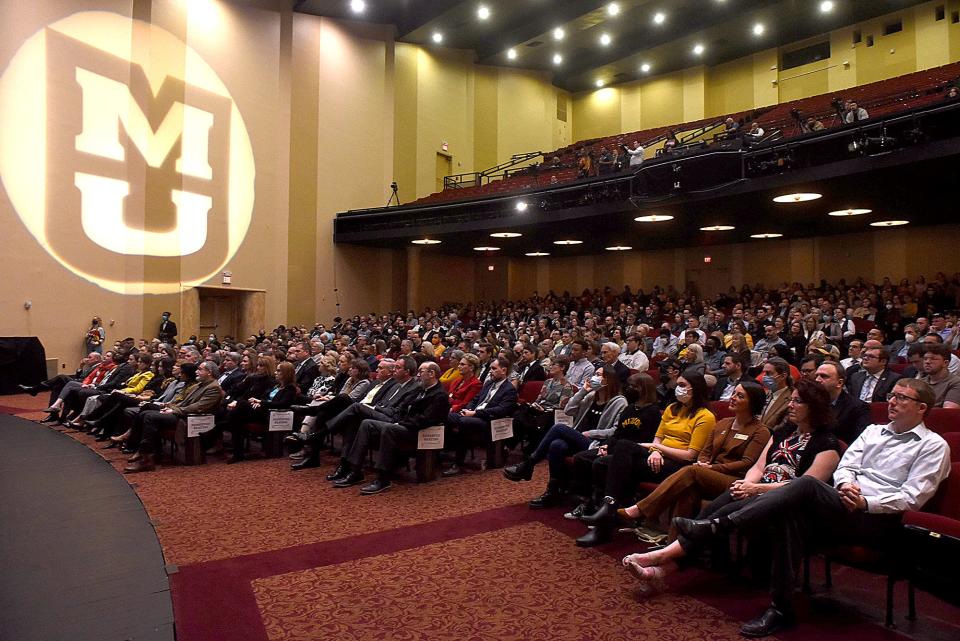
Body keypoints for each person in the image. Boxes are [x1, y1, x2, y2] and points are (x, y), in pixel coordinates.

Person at [666, 378, 949, 637]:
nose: (892, 401)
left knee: (807, 485)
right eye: (892, 395)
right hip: (840, 504)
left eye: (902, 398)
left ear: (922, 407)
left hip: (877, 520)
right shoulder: (873, 432)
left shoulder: (933, 446)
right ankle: (780, 609)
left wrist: (866, 501)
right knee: (792, 513)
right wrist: (846, 485)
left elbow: (913, 497)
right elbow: (847, 465)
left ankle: (719, 525)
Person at [621, 378, 844, 629]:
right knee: (716, 508)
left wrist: (756, 489)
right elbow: (759, 466)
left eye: (797, 401)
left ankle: (660, 558)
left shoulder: (828, 444)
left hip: (786, 502)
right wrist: (747, 485)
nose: (790, 405)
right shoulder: (783, 432)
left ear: (814, 407)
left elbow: (806, 487)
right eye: (790, 399)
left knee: (718, 512)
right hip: (756, 490)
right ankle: (663, 566)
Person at [573, 371, 716, 546]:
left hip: (679, 465)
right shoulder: (672, 408)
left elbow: (690, 455)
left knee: (623, 448)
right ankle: (609, 513)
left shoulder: (705, 416)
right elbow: (658, 437)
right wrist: (656, 450)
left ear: (696, 388)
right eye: (677, 385)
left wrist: (657, 449)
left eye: (682, 385)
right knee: (604, 462)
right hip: (656, 457)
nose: (677, 389)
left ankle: (606, 514)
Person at [615, 382, 770, 539]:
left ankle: (641, 509)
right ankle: (674, 543)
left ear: (753, 402)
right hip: (707, 472)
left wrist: (709, 468)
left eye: (740, 396)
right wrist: (703, 462)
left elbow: (747, 462)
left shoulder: (760, 431)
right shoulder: (724, 423)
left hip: (734, 479)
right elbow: (706, 450)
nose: (733, 398)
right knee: (689, 489)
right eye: (734, 393)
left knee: (691, 471)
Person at [502, 365, 627, 509]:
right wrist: (582, 391)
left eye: (599, 375)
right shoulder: (592, 396)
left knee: (558, 427)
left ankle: (529, 464)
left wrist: (590, 433)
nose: (594, 377)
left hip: (598, 444)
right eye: (594, 374)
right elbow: (568, 410)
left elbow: (615, 431)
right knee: (557, 445)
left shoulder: (620, 402)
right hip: (580, 438)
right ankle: (553, 491)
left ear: (609, 380)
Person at [329, 362, 450, 494]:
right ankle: (355, 470)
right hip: (405, 425)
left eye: (421, 372)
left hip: (419, 432)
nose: (418, 375)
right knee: (366, 423)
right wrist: (399, 420)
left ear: (432, 374)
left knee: (389, 429)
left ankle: (383, 478)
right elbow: (403, 408)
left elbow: (425, 420)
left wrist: (401, 423)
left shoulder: (440, 395)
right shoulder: (420, 390)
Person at [124, 362, 224, 473]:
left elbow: (199, 407)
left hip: (191, 419)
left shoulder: (213, 388)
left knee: (150, 417)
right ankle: (148, 454)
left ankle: (146, 458)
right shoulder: (200, 385)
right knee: (145, 413)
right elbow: (184, 402)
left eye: (200, 369)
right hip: (183, 414)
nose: (196, 371)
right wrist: (168, 407)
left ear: (209, 372)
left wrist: (174, 410)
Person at [443, 356, 518, 476]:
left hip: (488, 420)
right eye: (490, 368)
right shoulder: (489, 383)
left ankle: (458, 463)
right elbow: (476, 399)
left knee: (464, 422)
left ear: (503, 370)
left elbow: (501, 410)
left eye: (494, 368)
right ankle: (441, 453)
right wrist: (468, 408)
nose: (490, 371)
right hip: (473, 414)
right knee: (445, 417)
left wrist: (475, 413)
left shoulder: (509, 389)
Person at [223, 361, 299, 463]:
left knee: (241, 405)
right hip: (261, 411)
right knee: (238, 421)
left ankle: (224, 426)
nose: (276, 373)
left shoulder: (290, 388)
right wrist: (258, 401)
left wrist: (261, 402)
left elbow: (282, 404)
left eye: (279, 371)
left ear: (286, 373)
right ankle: (238, 454)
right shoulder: (276, 386)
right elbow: (264, 397)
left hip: (270, 415)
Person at [511, 356, 576, 455]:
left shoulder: (567, 386)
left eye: (553, 365)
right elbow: (539, 398)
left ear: (562, 368)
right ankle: (518, 443)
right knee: (520, 411)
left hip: (550, 413)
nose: (550, 367)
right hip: (539, 409)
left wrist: (544, 409)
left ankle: (515, 444)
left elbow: (562, 407)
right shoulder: (548, 382)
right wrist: (535, 405)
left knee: (526, 418)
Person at [814, 361, 871, 444]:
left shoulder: (858, 408)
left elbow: (859, 442)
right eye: (816, 376)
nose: (817, 380)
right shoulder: (809, 402)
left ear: (839, 383)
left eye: (824, 376)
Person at [918, 342, 960, 408]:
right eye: (925, 359)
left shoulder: (956, 382)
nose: (927, 362)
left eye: (933, 359)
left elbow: (948, 412)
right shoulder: (920, 383)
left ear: (945, 363)